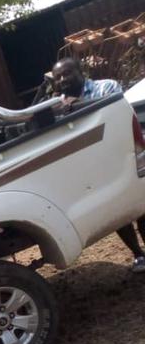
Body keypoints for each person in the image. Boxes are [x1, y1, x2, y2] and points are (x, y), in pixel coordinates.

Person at [50, 57, 145, 273]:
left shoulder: (106, 87)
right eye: (58, 77)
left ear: (80, 72)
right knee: (120, 212)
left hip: (125, 153)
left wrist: (75, 108)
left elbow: (116, 116)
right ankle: (138, 255)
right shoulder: (57, 106)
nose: (63, 79)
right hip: (95, 165)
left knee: (142, 205)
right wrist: (61, 111)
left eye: (67, 73)